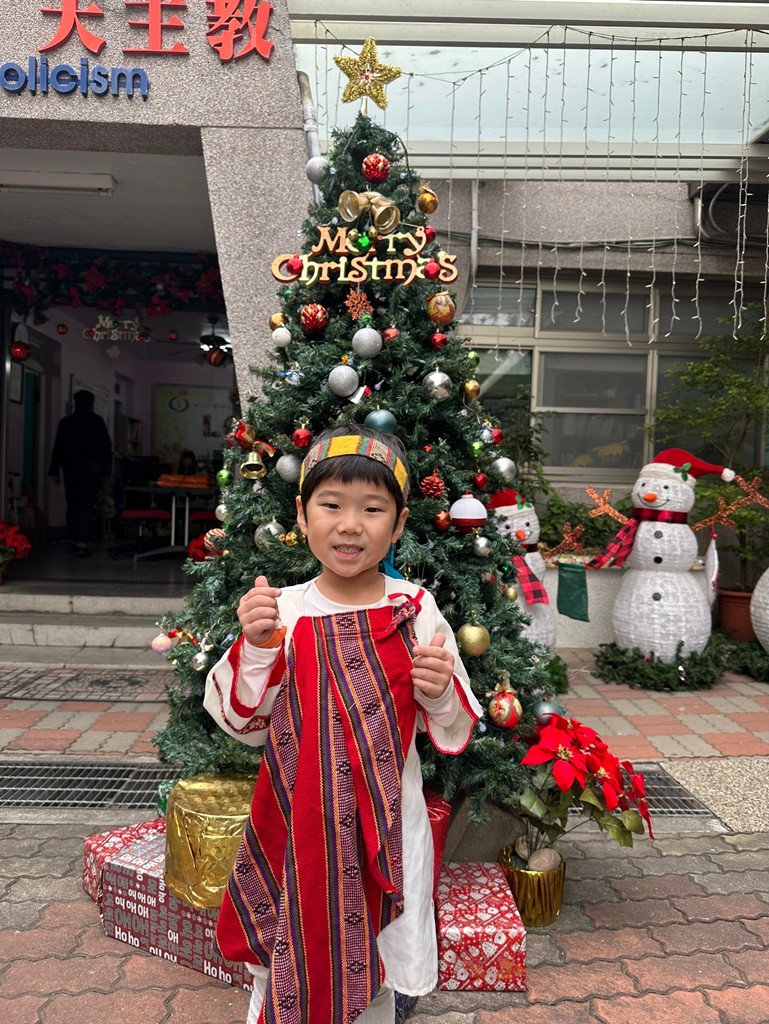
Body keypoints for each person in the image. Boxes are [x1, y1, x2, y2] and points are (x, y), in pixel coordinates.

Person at [204, 425, 482, 1024]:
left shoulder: (414, 609)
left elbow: (454, 725)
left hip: (387, 822)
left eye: (372, 510)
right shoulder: (284, 610)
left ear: (398, 525)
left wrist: (438, 691)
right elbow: (243, 721)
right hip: (297, 822)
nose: (350, 525)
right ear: (302, 516)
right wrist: (256, 648)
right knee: (293, 945)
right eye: (331, 505)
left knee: (376, 964)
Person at [48, 389, 113, 556]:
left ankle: (73, 537)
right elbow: (106, 446)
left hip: (70, 468)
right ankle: (83, 541)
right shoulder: (97, 422)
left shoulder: (66, 422)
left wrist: (54, 469)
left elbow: (58, 447)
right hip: (91, 470)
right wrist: (106, 468)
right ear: (92, 404)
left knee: (73, 503)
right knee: (87, 505)